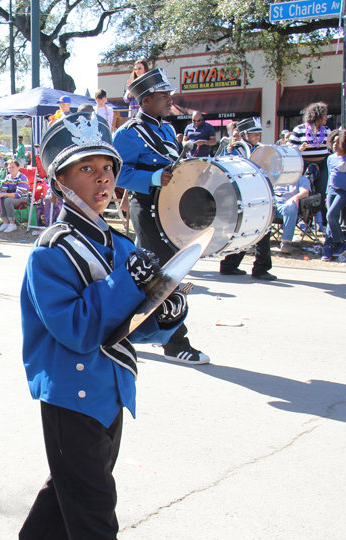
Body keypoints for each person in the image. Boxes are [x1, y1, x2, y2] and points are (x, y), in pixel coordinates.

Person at [1, 111, 188, 540]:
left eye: (107, 167)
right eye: (86, 168)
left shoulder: (121, 244)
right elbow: (78, 330)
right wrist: (129, 281)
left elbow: (130, 327)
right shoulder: (50, 252)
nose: (102, 177)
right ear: (60, 182)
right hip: (71, 393)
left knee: (73, 489)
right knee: (94, 508)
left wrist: (168, 313)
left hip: (111, 389)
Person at [112, 67, 210, 365]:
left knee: (149, 278)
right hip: (148, 209)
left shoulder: (166, 129)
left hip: (172, 209)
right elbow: (117, 173)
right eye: (163, 95)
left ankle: (122, 331)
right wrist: (153, 178)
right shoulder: (128, 133)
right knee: (168, 277)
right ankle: (175, 343)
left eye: (169, 94)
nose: (170, 99)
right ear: (145, 101)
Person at [217, 118, 277, 280]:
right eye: (253, 133)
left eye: (258, 133)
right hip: (241, 196)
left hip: (258, 194)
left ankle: (255, 267)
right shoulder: (234, 150)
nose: (258, 136)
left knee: (261, 229)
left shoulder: (261, 150)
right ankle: (233, 265)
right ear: (244, 134)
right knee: (244, 231)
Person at [321, 128, 346, 261]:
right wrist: (327, 192)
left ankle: (341, 242)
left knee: (330, 215)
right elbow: (330, 176)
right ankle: (328, 247)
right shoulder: (330, 158)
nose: (335, 145)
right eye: (334, 142)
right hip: (331, 191)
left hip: (343, 192)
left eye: (339, 142)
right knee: (331, 219)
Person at [288, 102, 331, 202]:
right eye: (324, 114)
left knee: (322, 192)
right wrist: (299, 149)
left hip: (322, 165)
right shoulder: (299, 130)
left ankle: (321, 212)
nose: (327, 117)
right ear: (317, 116)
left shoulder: (327, 130)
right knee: (304, 192)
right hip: (304, 165)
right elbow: (288, 150)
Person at [273, 169, 313, 254]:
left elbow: (305, 192)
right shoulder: (274, 176)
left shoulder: (301, 179)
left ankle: (286, 242)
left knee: (291, 206)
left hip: (286, 204)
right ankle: (255, 243)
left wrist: (295, 197)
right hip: (272, 204)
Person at [0, 159, 29, 233]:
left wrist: (4, 194)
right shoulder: (8, 177)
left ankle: (12, 224)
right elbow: (4, 190)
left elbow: (18, 194)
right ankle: (5, 223)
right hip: (10, 197)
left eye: (13, 167)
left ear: (18, 167)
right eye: (9, 168)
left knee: (7, 201)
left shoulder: (22, 177)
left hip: (22, 198)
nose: (11, 169)